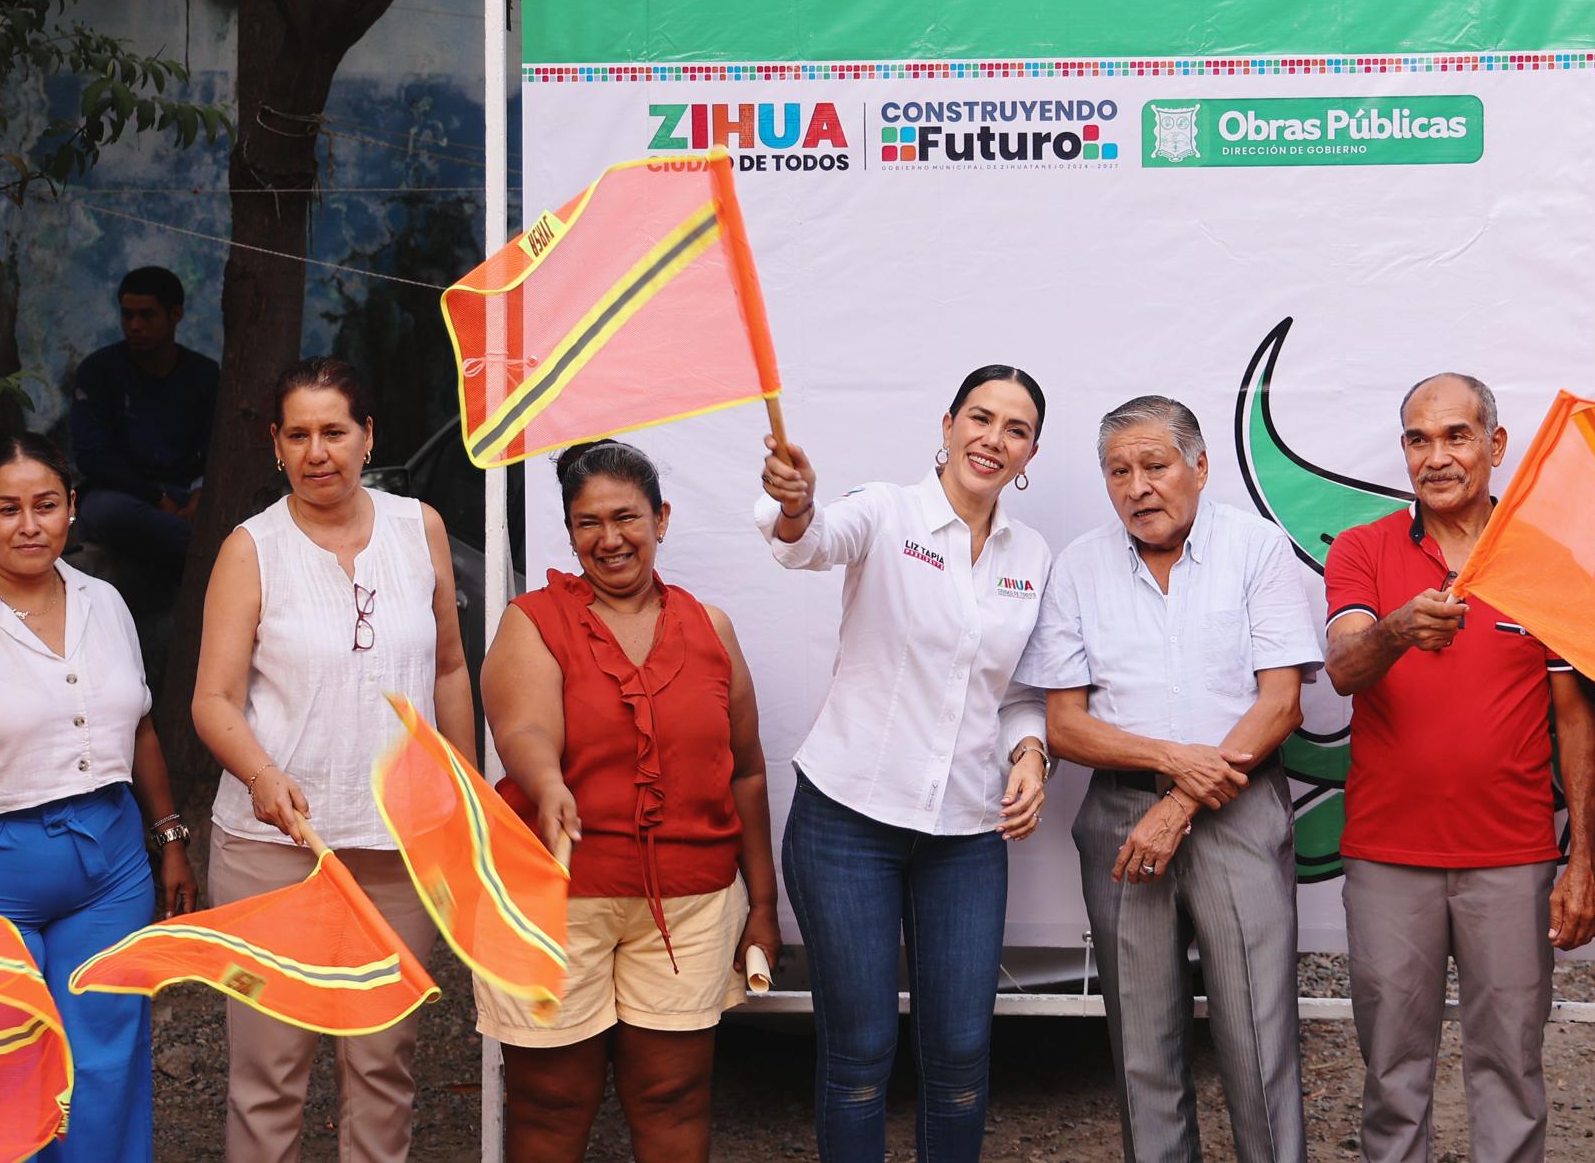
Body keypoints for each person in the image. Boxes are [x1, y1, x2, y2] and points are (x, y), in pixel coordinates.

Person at [756, 366, 1054, 1163]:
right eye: (981, 418)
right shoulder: (887, 512)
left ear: (1030, 453)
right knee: (859, 1059)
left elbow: (1019, 689)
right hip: (847, 822)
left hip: (965, 834)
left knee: (959, 1059)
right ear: (949, 423)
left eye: (1015, 429)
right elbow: (812, 542)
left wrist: (1032, 753)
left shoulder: (1032, 555)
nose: (993, 438)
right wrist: (793, 505)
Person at [0, 431, 196, 1163]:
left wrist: (170, 834)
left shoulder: (103, 603)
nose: (29, 525)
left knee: (103, 1066)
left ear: (72, 509)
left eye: (46, 505)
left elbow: (136, 726)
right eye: (8, 508)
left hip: (110, 868)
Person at [1015, 395, 1320, 1163]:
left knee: (1258, 1038)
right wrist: (1170, 763)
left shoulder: (1256, 548)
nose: (1137, 486)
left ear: (1200, 467)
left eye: (1155, 465)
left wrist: (1183, 798)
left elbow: (1281, 703)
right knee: (1142, 1044)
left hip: (1238, 813)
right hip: (1121, 819)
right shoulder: (1080, 565)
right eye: (1118, 471)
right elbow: (1066, 726)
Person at [192, 356, 476, 1163]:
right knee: (270, 1075)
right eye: (300, 434)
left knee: (384, 1067)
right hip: (273, 851)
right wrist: (261, 775)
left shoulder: (418, 527)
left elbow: (450, 667)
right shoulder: (252, 548)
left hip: (397, 848)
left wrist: (465, 794)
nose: (319, 451)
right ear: (274, 445)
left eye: (335, 431)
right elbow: (211, 699)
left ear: (368, 436)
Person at [1322, 373, 1595, 1163]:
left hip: (1512, 858)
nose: (1436, 456)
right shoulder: (1364, 549)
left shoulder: (1545, 559)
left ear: (1496, 445)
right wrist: (1397, 631)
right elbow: (1344, 667)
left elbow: (1577, 717)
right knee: (1391, 1075)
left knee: (1511, 1068)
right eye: (1419, 439)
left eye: (1456, 436)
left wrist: (1582, 857)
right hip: (1387, 854)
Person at [480, 439, 782, 1163]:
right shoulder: (533, 620)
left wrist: (765, 907)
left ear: (662, 519)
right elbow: (522, 725)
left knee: (672, 1098)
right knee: (551, 1102)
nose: (609, 539)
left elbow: (745, 772)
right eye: (588, 523)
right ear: (569, 530)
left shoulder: (711, 630)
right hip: (555, 896)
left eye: (626, 518)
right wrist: (549, 784)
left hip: (690, 903)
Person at [72, 265, 223, 576]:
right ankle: (212, 557)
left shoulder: (204, 374)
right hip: (123, 497)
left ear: (175, 314)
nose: (135, 326)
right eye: (127, 315)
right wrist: (157, 498)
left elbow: (216, 447)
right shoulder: (99, 371)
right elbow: (93, 457)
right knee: (108, 514)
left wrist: (200, 494)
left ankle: (196, 545)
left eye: (146, 315)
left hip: (188, 495)